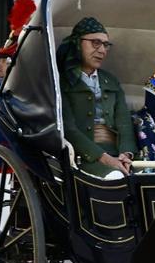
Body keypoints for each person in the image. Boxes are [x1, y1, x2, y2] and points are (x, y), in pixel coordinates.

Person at [57, 18, 135, 178]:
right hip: (84, 158)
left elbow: (124, 123)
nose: (102, 50)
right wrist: (106, 159)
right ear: (78, 43)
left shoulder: (111, 80)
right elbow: (68, 129)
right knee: (116, 178)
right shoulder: (62, 82)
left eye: (106, 45)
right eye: (95, 43)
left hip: (118, 156)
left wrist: (126, 154)